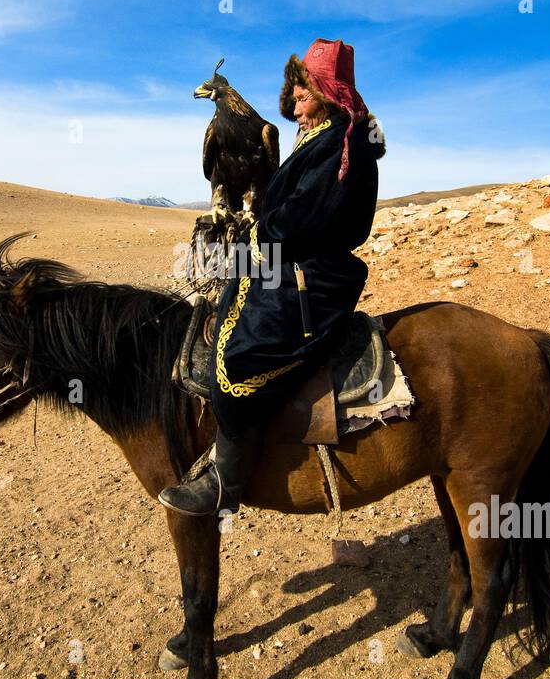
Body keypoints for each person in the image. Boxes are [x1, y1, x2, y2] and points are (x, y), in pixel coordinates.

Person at [159, 38, 385, 516]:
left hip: (315, 274)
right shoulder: (323, 137)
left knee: (241, 359)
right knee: (218, 309)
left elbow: (305, 216)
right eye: (294, 99)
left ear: (325, 93)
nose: (295, 109)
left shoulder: (345, 142)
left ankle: (227, 483)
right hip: (288, 258)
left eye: (302, 98)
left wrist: (256, 233)